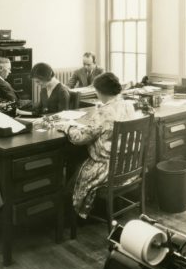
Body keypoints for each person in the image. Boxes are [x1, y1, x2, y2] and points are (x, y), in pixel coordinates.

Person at [57, 72, 136, 219]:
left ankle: (73, 216)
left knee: (73, 169)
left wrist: (67, 127)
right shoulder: (127, 105)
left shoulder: (103, 112)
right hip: (128, 164)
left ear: (99, 92)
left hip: (108, 167)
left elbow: (80, 138)